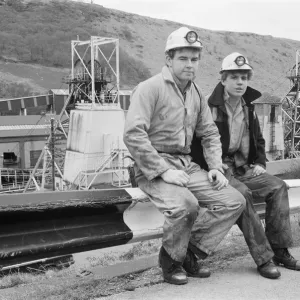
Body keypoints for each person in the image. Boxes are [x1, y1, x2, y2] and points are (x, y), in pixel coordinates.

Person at [123, 27, 246, 285]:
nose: (190, 64)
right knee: (186, 205)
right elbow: (134, 134)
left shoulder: (196, 93)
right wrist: (163, 170)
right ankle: (171, 262)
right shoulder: (150, 89)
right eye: (183, 58)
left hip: (185, 164)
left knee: (234, 201)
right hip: (153, 167)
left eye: (194, 59)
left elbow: (210, 133)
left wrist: (214, 166)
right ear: (169, 59)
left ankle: (188, 252)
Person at [191, 52, 300, 280]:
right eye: (234, 77)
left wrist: (260, 162)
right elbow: (195, 143)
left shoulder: (249, 106)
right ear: (223, 80)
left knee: (278, 186)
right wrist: (211, 165)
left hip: (243, 167)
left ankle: (279, 250)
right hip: (219, 170)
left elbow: (259, 139)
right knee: (243, 195)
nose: (240, 82)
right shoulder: (208, 106)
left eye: (244, 77)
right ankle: (263, 258)